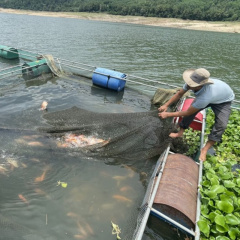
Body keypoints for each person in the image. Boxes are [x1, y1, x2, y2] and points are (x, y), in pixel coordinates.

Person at [158, 68, 235, 161]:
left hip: (223, 100)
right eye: (189, 82)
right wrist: (166, 105)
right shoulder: (190, 83)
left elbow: (188, 112)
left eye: (192, 84)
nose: (189, 85)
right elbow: (179, 94)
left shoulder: (205, 97)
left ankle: (205, 149)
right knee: (191, 110)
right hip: (214, 95)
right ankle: (180, 132)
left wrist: (168, 114)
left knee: (221, 125)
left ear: (200, 85)